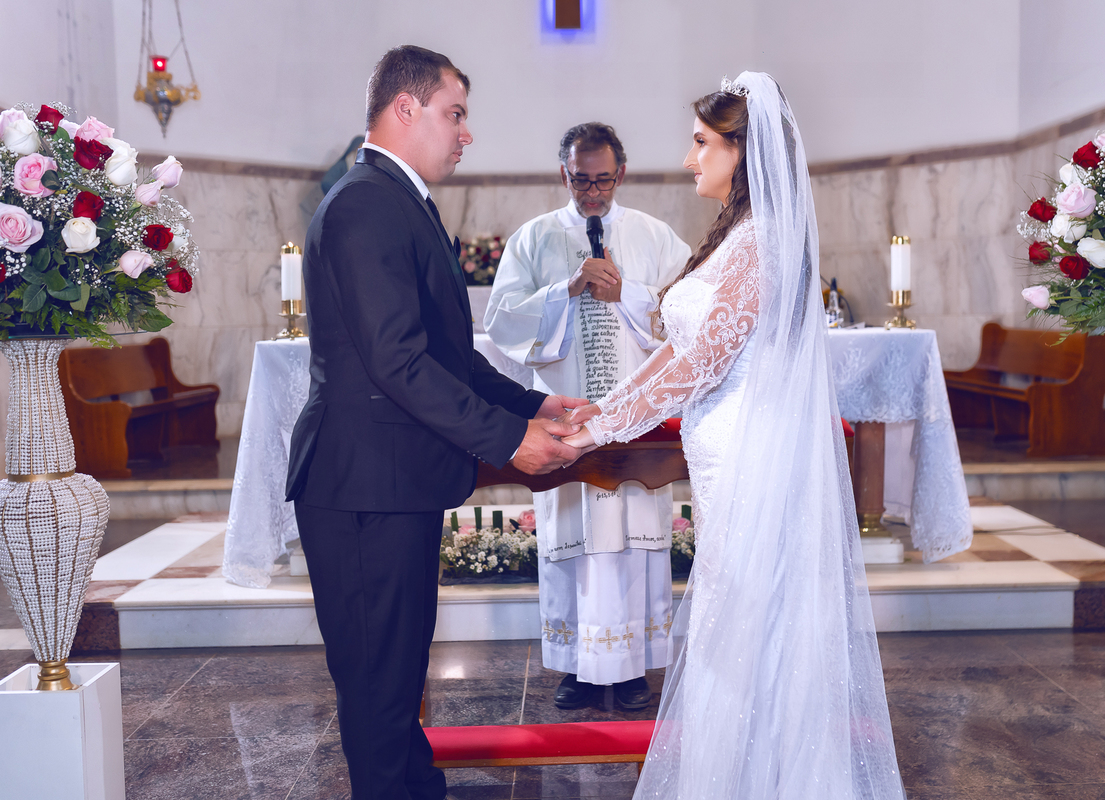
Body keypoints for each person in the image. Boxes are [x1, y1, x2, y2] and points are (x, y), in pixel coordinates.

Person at [563, 73, 909, 798]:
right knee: (740, 624)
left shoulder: (762, 241)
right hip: (727, 454)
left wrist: (601, 429)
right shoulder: (738, 235)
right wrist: (599, 410)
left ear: (741, 151)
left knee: (753, 627)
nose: (689, 158)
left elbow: (701, 363)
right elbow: (676, 351)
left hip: (753, 457)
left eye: (701, 143)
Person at [284, 46, 584, 800]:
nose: (465, 133)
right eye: (455, 114)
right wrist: (510, 442)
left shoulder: (400, 201)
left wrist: (534, 405)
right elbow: (397, 362)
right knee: (377, 687)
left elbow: (449, 356)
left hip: (392, 483)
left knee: (397, 676)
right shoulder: (364, 205)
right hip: (362, 488)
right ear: (405, 108)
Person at [484, 123, 692, 710]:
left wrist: (629, 295)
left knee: (633, 538)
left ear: (621, 174)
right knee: (573, 539)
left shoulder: (654, 236)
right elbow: (502, 321)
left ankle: (631, 669)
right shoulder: (534, 239)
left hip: (634, 422)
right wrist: (567, 289)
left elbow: (690, 315)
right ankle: (578, 666)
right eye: (581, 180)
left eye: (603, 180)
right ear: (564, 174)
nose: (593, 192)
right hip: (567, 420)